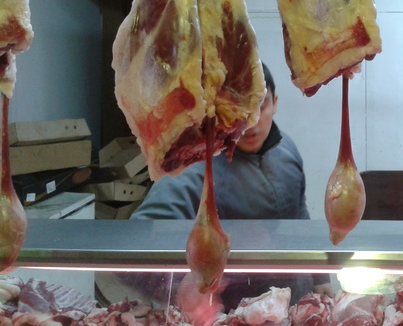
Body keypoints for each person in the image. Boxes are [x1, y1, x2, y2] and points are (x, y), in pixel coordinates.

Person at [130, 62, 332, 311]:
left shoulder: (286, 149)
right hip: (231, 312)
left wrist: (319, 275)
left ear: (275, 103)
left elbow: (298, 215)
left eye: (261, 106)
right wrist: (182, 286)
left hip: (294, 304)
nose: (251, 122)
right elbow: (140, 239)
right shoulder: (196, 165)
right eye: (238, 110)